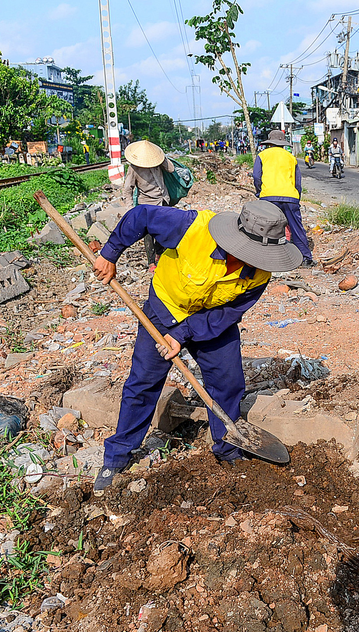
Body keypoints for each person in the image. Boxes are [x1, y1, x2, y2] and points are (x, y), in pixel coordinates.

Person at [90, 200, 303, 494]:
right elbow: (141, 215)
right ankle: (116, 458)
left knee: (228, 382)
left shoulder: (261, 272)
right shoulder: (192, 228)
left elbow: (228, 313)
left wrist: (183, 335)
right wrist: (110, 254)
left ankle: (227, 447)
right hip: (164, 310)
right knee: (143, 383)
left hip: (210, 323)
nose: (256, 261)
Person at [254, 129, 314, 267]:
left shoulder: (262, 155)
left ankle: (264, 260)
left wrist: (259, 192)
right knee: (296, 228)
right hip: (290, 197)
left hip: (268, 197)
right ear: (282, 144)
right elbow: (297, 182)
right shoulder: (291, 157)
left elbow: (257, 177)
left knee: (266, 229)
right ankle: (305, 258)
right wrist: (296, 198)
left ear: (269, 143)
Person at [122, 140, 176, 269]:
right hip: (147, 204)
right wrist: (130, 209)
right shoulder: (134, 168)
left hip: (163, 200)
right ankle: (151, 262)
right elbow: (127, 189)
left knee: (165, 229)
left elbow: (171, 169)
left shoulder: (158, 162)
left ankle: (159, 252)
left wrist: (162, 158)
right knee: (148, 235)